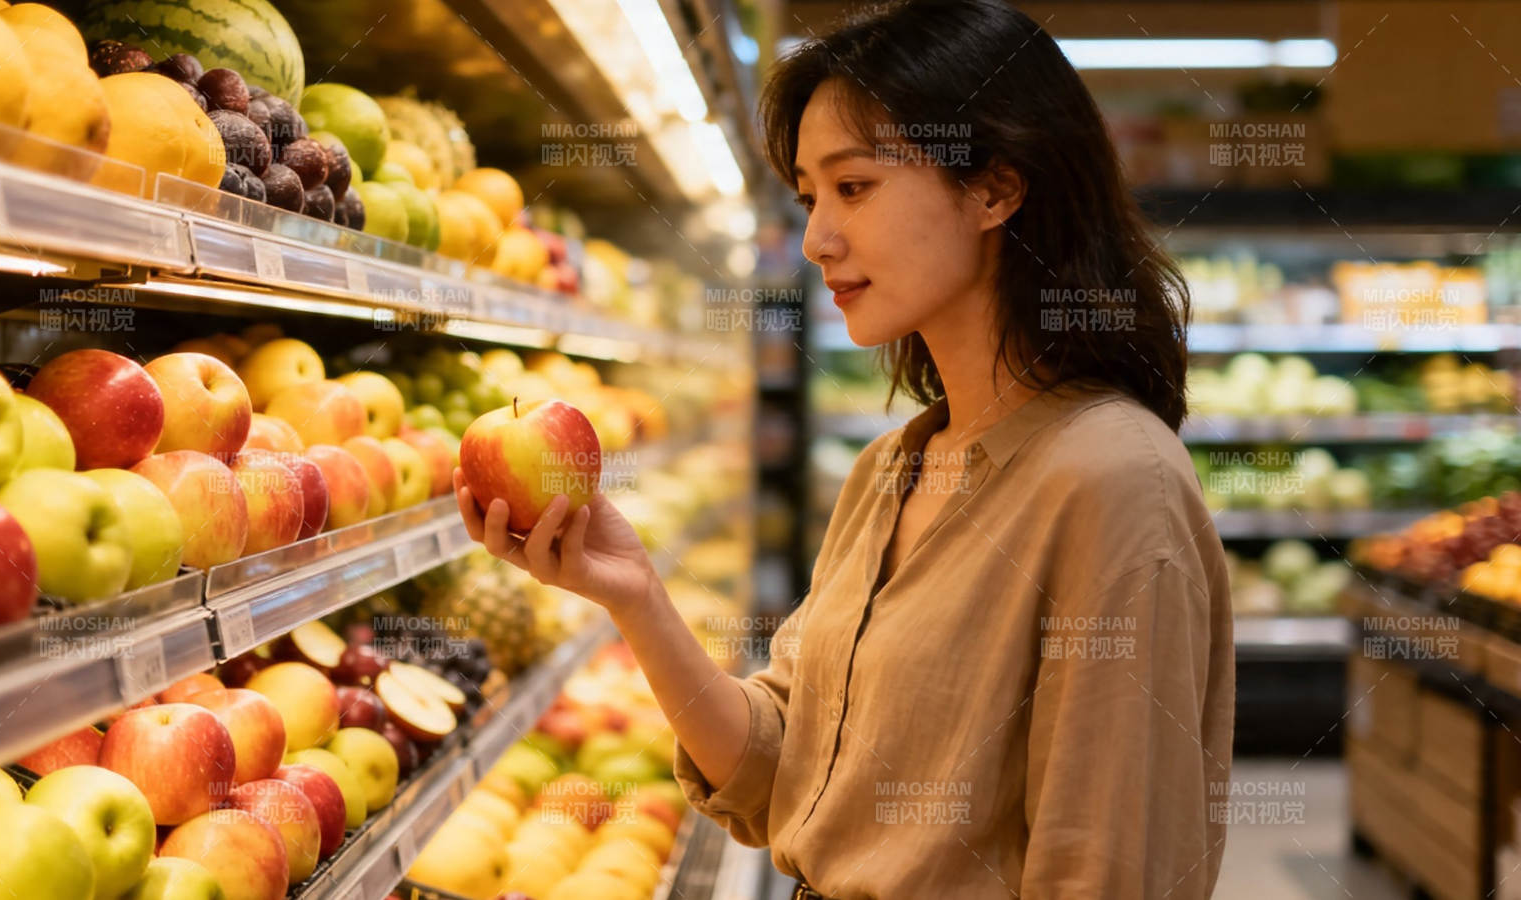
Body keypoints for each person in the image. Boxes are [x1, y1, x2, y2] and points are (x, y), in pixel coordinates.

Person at [453, 1, 1233, 897]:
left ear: (995, 189)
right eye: (808, 196)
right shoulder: (891, 471)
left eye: (853, 187)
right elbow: (782, 776)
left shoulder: (1110, 482)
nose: (818, 240)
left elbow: (1106, 871)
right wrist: (634, 599)